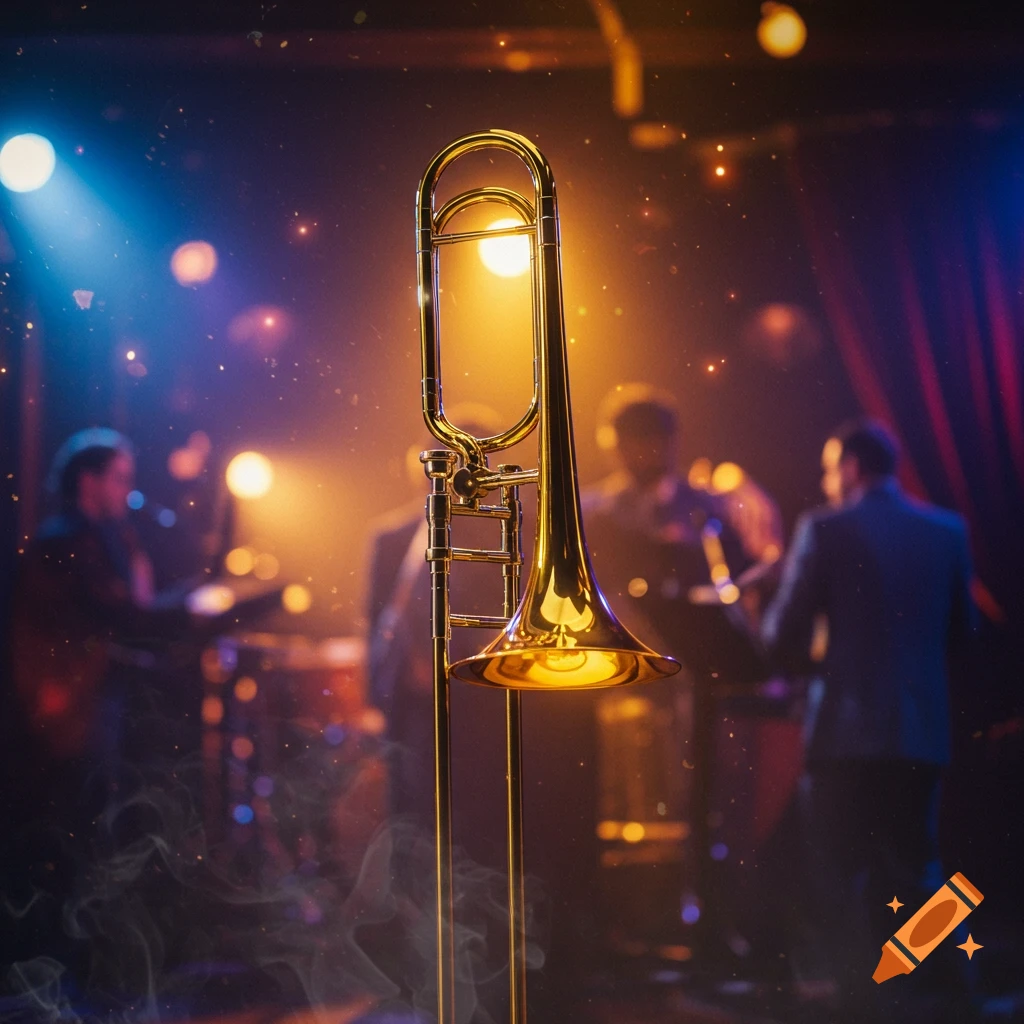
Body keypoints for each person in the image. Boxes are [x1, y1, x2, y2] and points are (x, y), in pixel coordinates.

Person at [760, 419, 977, 1016]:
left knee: (839, 871)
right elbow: (966, 633)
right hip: (921, 732)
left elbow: (782, 636)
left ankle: (862, 1000)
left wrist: (765, 600)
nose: (828, 484)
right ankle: (959, 992)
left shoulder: (824, 530)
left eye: (831, 471)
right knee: (922, 865)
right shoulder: (947, 530)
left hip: (845, 738)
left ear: (852, 466)